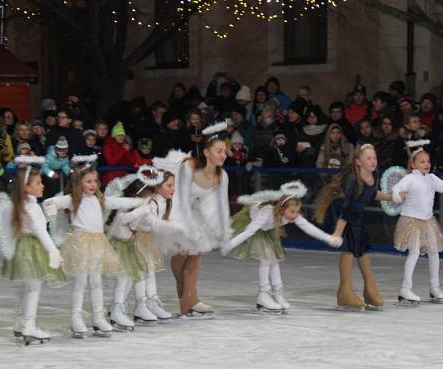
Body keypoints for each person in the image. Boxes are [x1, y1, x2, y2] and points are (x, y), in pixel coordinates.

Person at [42, 155, 144, 338]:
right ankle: (76, 317)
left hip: (98, 243)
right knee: (81, 282)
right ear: (78, 182)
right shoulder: (72, 199)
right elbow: (50, 202)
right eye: (88, 181)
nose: (93, 184)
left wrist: (139, 202)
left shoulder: (99, 199)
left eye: (95, 181)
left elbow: (118, 202)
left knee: (96, 282)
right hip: (81, 242)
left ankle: (98, 317)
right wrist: (49, 210)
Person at [223, 181, 342, 313]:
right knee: (267, 259)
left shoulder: (291, 214)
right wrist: (231, 243)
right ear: (281, 209)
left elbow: (308, 227)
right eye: (292, 211)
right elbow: (249, 231)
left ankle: (277, 293)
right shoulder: (266, 213)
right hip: (254, 224)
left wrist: (329, 238)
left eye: (298, 211)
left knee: (274, 260)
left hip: (268, 228)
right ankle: (263, 294)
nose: (295, 215)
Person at [161, 122, 232, 318]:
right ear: (207, 152)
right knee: (182, 253)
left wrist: (225, 232)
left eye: (225, 152)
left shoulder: (221, 175)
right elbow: (180, 198)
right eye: (219, 151)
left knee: (196, 254)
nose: (223, 155)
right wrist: (189, 228)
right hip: (176, 209)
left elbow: (222, 205)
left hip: (195, 212)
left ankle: (190, 299)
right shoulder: (189, 166)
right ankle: (187, 299)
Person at [391, 142, 443, 304]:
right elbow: (395, 190)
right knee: (414, 253)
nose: (426, 164)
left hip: (428, 221)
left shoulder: (431, 179)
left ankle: (434, 287)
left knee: (434, 253)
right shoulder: (409, 179)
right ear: (413, 164)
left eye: (428, 161)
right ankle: (405, 288)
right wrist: (397, 196)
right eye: (422, 161)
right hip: (412, 221)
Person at [0, 156, 65, 344]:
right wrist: (53, 251)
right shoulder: (29, 207)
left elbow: (39, 225)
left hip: (26, 247)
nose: (43, 186)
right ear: (26, 188)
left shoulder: (30, 204)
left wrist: (48, 216)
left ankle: (21, 323)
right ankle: (28, 325)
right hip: (30, 249)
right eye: (39, 183)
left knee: (29, 287)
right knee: (34, 287)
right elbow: (39, 230)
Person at [105, 166, 184, 330]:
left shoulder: (161, 202)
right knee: (134, 273)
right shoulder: (148, 203)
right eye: (169, 185)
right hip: (134, 240)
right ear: (156, 187)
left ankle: (142, 303)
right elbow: (148, 222)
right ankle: (129, 305)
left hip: (139, 239)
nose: (173, 189)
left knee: (143, 271)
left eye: (173, 185)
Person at [315, 144, 393, 311]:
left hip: (355, 215)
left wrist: (388, 197)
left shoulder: (374, 175)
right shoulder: (353, 181)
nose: (373, 161)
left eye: (374, 158)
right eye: (368, 158)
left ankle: (370, 289)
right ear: (358, 162)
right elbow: (346, 208)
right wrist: (338, 233)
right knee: (349, 248)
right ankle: (345, 291)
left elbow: (371, 193)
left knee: (362, 248)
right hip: (341, 213)